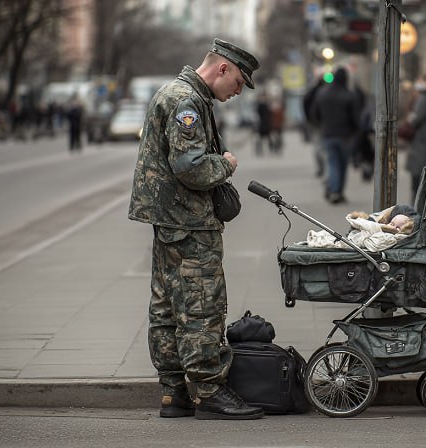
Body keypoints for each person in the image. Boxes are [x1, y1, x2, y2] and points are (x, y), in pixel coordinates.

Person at [128, 38, 264, 421]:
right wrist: (225, 164)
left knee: (167, 306)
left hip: (169, 220)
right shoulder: (186, 102)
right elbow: (191, 167)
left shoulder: (176, 93)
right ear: (222, 68)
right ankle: (209, 391)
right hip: (189, 222)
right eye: (238, 81)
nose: (237, 92)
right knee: (202, 306)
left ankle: (174, 393)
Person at [308, 66, 362, 204]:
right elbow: (356, 118)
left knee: (332, 163)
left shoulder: (323, 94)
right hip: (345, 136)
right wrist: (356, 132)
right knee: (343, 165)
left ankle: (334, 190)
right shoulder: (349, 95)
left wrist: (321, 125)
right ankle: (338, 191)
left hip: (328, 134)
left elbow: (314, 113)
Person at [403, 73, 426, 202]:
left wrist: (410, 117)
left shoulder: (424, 98)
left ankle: (417, 208)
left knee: (418, 177)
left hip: (421, 140)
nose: (418, 83)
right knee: (425, 177)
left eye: (421, 80)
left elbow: (416, 118)